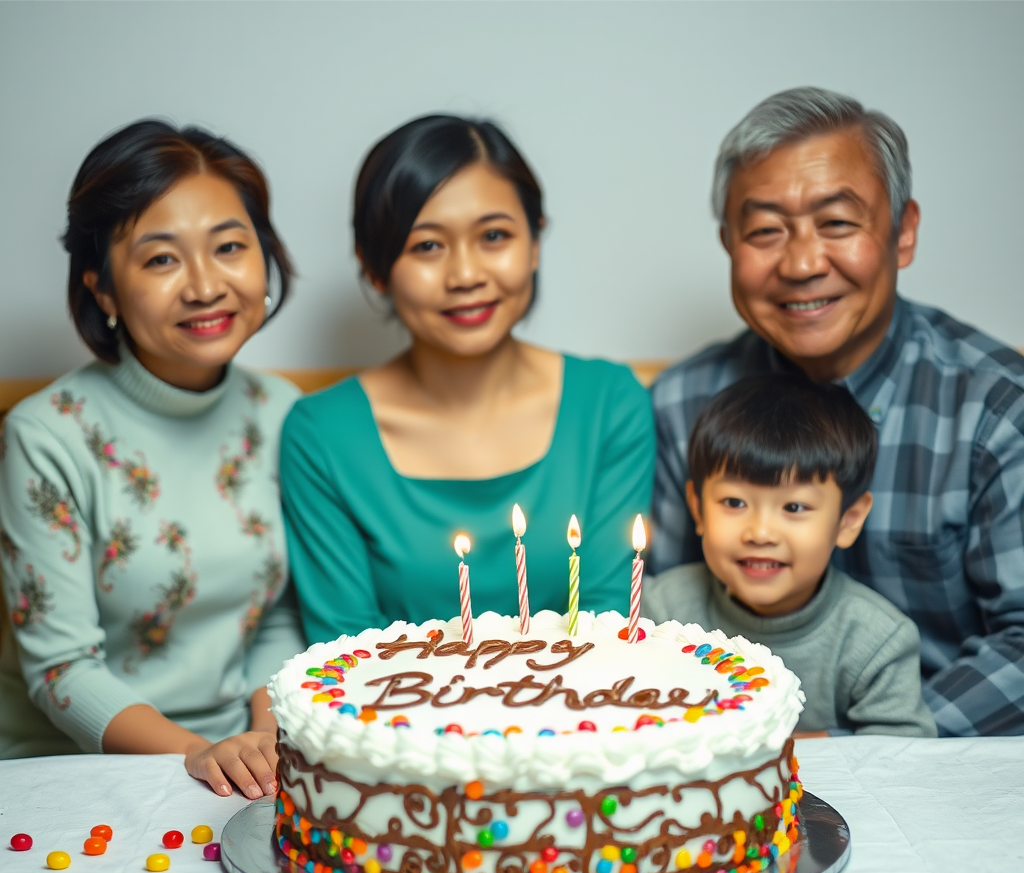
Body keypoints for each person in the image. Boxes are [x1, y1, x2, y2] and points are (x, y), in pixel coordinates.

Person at [651, 87, 1024, 737]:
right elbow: (661, 619)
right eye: (765, 230)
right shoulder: (684, 405)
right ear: (729, 244)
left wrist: (867, 743)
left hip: (940, 772)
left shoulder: (994, 409)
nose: (800, 263)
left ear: (902, 233)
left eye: (838, 224)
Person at [0, 120, 303, 797]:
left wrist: (258, 739)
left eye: (229, 247)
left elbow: (278, 615)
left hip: (246, 757)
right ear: (102, 288)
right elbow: (61, 670)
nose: (204, 286)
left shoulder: (283, 413)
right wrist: (200, 754)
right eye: (161, 259)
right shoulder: (46, 435)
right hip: (72, 769)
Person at [281, 115, 654, 641]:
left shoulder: (610, 405)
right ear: (374, 266)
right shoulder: (322, 434)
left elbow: (608, 620)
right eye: (427, 246)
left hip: (581, 719)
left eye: (494, 236)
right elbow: (345, 652)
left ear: (535, 242)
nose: (466, 276)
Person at [643, 374, 934, 737]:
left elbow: (901, 755)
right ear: (698, 509)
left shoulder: (877, 640)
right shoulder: (660, 614)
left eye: (794, 507)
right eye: (734, 502)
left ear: (848, 520)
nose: (761, 533)